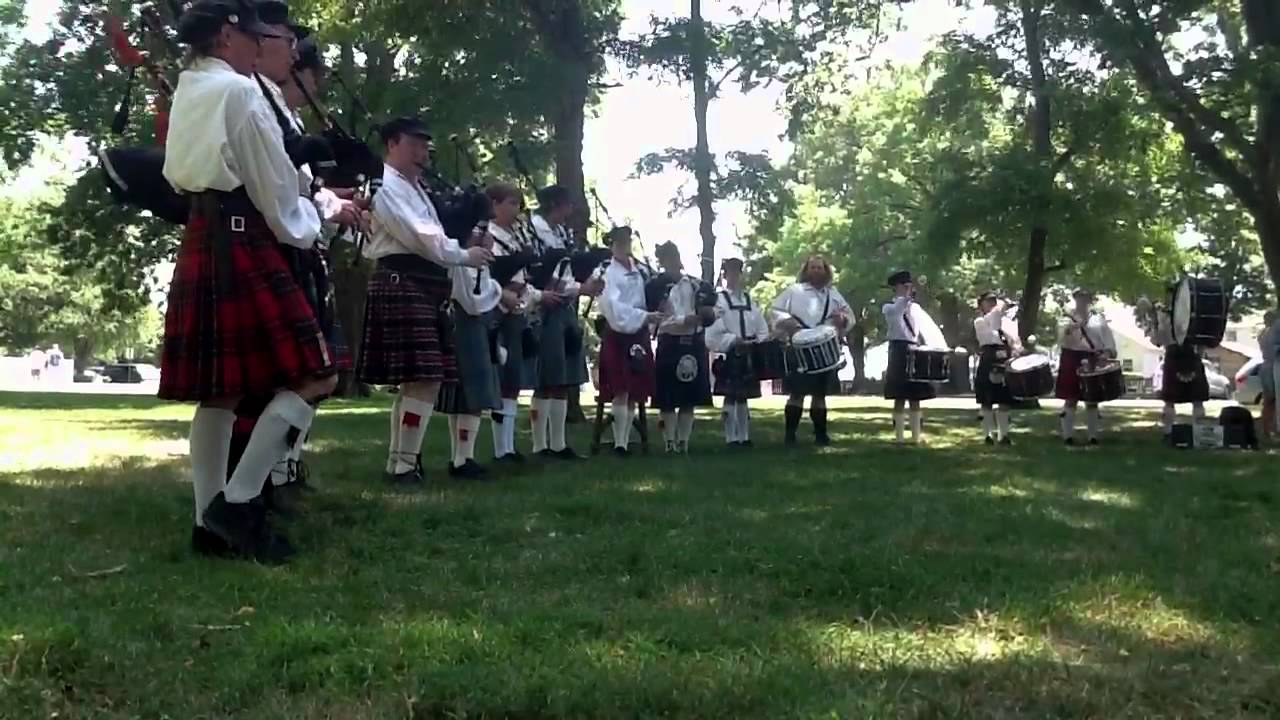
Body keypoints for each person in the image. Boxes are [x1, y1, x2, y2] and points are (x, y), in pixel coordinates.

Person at [159, 0, 333, 563]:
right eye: (253, 36)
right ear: (227, 36)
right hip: (244, 232)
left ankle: (206, 524)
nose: (262, 46)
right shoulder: (239, 92)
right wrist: (313, 225)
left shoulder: (191, 83)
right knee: (316, 374)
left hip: (205, 229)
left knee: (221, 392)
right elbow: (275, 185)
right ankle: (238, 502)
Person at [227, 6, 366, 508]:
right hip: (274, 238)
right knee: (283, 376)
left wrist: (335, 201)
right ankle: (252, 488)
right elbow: (286, 183)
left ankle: (269, 479)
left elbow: (302, 183)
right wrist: (331, 206)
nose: (294, 54)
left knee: (304, 375)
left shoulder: (272, 105)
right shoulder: (250, 97)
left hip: (293, 237)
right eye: (288, 42)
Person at [357, 116, 493, 484]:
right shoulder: (385, 185)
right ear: (391, 145)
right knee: (424, 379)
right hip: (403, 279)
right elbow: (420, 237)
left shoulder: (415, 188)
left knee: (419, 381)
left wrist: (467, 230)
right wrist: (465, 255)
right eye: (414, 145)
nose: (423, 154)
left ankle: (400, 463)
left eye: (425, 147)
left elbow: (436, 233)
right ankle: (404, 464)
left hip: (423, 284)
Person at [438, 219, 519, 478]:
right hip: (468, 327)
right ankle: (462, 458)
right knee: (472, 393)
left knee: (467, 395)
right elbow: (472, 301)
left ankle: (462, 457)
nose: (488, 239)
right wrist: (499, 290)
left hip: (475, 327)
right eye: (481, 232)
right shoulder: (462, 262)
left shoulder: (471, 262)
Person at [527, 185, 600, 459]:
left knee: (563, 379)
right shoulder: (534, 230)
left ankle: (558, 444)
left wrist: (585, 283)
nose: (571, 210)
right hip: (544, 307)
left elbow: (569, 272)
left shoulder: (562, 233)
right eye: (568, 204)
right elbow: (538, 271)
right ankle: (539, 445)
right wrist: (580, 288)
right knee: (546, 378)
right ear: (556, 204)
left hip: (565, 307)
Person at [773, 256, 852, 446]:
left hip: (825, 350)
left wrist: (843, 319)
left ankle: (821, 435)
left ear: (826, 271)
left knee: (820, 395)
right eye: (813, 267)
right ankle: (790, 435)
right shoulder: (794, 291)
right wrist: (788, 323)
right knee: (797, 393)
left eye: (820, 268)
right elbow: (775, 310)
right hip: (799, 348)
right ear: (806, 271)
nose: (816, 271)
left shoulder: (833, 295)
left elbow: (849, 316)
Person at [598, 227, 664, 455]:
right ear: (612, 245)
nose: (624, 245)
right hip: (618, 332)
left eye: (627, 241)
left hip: (638, 332)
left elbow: (649, 296)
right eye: (619, 242)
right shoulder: (608, 272)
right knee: (620, 388)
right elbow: (613, 306)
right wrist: (644, 316)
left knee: (635, 387)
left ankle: (626, 440)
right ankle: (620, 443)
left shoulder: (640, 270)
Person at [485, 182, 537, 463]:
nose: (516, 209)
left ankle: (508, 447)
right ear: (494, 204)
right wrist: (504, 296)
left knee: (513, 379)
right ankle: (498, 447)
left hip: (516, 309)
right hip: (496, 308)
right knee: (500, 376)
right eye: (511, 203)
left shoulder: (516, 235)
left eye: (518, 203)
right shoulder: (488, 235)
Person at [647, 242, 715, 453]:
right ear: (662, 261)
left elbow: (713, 310)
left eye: (674, 256)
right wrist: (684, 320)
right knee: (667, 398)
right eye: (667, 258)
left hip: (693, 343)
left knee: (688, 398)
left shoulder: (696, 285)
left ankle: (683, 442)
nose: (673, 262)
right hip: (669, 341)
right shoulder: (655, 287)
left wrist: (706, 316)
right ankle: (669, 441)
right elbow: (655, 320)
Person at [706, 257, 769, 447]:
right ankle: (730, 437)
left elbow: (761, 325)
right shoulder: (719, 300)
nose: (734, 277)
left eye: (737, 272)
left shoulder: (749, 300)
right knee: (731, 395)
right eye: (730, 273)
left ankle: (744, 436)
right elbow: (714, 330)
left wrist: (760, 339)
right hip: (731, 353)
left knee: (743, 397)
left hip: (748, 352)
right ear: (725, 275)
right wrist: (732, 340)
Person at [882, 270, 945, 444]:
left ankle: (916, 437)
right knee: (899, 395)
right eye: (904, 286)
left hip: (914, 349)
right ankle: (899, 438)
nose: (908, 289)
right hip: (898, 349)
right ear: (896, 288)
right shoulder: (889, 307)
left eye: (909, 286)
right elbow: (897, 312)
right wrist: (905, 297)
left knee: (915, 396)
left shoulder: (916, 308)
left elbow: (927, 328)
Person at [1055, 288, 1118, 445]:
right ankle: (1067, 436)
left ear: (1090, 300)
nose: (1083, 300)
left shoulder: (1098, 319)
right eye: (1079, 297)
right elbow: (1062, 339)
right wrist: (1074, 327)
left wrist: (1108, 353)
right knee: (1071, 398)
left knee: (1092, 398)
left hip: (1092, 357)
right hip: (1071, 356)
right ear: (1075, 299)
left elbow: (1108, 340)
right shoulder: (1065, 319)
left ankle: (1093, 436)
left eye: (1086, 298)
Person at [1143, 287, 1208, 438]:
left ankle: (1199, 433)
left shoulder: (1193, 312)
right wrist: (1155, 324)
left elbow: (1202, 336)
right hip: (1173, 353)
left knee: (1198, 398)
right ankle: (1168, 432)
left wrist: (1199, 353)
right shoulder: (1161, 314)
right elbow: (1157, 340)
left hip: (1191, 353)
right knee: (1169, 399)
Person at [973, 292, 1021, 445]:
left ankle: (1003, 435)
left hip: (1005, 358)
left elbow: (1015, 340)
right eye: (988, 301)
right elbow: (993, 323)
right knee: (987, 400)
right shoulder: (980, 321)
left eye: (994, 301)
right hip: (989, 357)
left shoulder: (1007, 322)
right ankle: (987, 435)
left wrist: (1016, 350)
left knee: (1004, 400)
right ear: (981, 305)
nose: (993, 304)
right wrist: (1000, 307)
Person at [1259, 311, 1279, 441]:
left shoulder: (1263, 333)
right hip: (1273, 367)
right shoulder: (1272, 333)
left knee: (1268, 401)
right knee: (1272, 400)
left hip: (1265, 366)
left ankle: (1267, 430)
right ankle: (1270, 430)